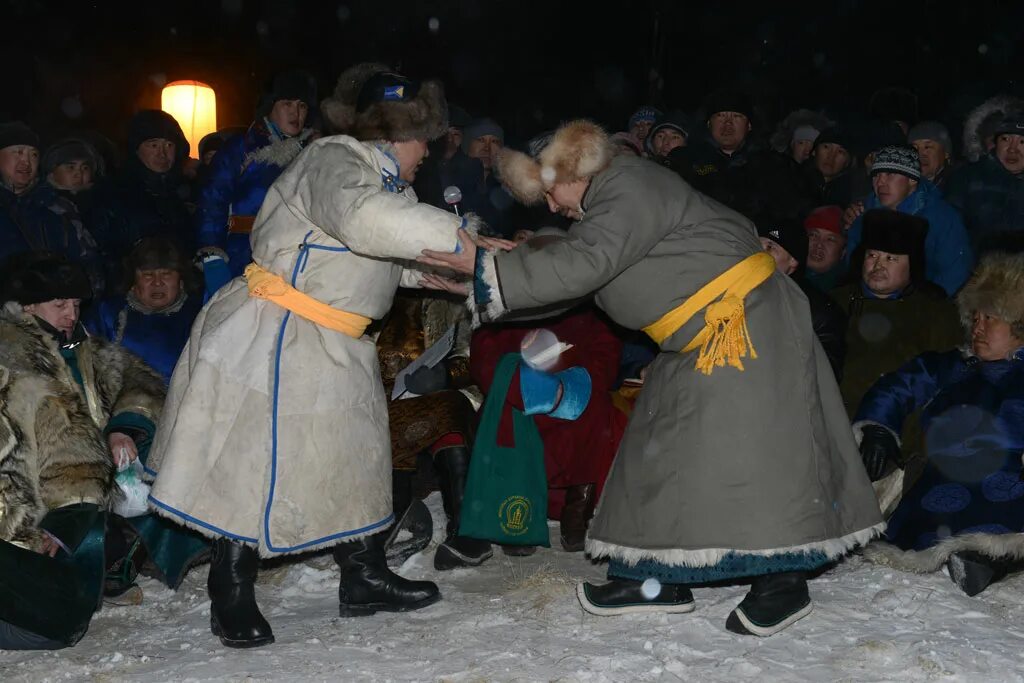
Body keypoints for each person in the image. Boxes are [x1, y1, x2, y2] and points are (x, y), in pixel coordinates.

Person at [420, 119, 882, 637]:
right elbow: (574, 274)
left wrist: (487, 268)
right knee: (657, 450)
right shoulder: (609, 208)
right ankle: (652, 577)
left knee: (751, 459)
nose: (550, 206)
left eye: (550, 191)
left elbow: (585, 262)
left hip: (743, 328)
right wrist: (482, 276)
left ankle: (783, 584)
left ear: (576, 170)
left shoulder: (629, 182)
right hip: (697, 339)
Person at [147, 63, 484, 649]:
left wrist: (429, 274)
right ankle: (231, 588)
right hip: (278, 333)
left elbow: (361, 250)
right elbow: (363, 220)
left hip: (336, 339)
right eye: (422, 138)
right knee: (250, 461)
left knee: (354, 457)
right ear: (397, 133)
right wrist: (463, 243)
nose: (427, 152)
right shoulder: (336, 160)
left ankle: (363, 576)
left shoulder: (385, 184)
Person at [0, 255, 166, 648]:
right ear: (27, 306)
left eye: (76, 304)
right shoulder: (11, 367)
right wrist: (25, 534)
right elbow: (9, 466)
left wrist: (124, 426)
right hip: (41, 511)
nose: (71, 314)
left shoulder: (86, 351)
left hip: (88, 505)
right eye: (59, 304)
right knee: (55, 625)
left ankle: (104, 569)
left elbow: (143, 384)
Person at [857, 252, 1024, 597]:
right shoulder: (952, 366)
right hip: (946, 476)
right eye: (974, 318)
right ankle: (982, 559)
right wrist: (877, 428)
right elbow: (896, 388)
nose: (977, 328)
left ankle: (995, 560)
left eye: (990, 318)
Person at [832, 210, 962, 422]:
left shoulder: (936, 313)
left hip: (901, 429)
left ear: (912, 264)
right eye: (872, 255)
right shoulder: (834, 303)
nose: (878, 266)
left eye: (891, 258)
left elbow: (947, 384)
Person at [195, 70, 318, 287]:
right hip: (242, 255)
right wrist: (212, 255)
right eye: (287, 104)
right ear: (270, 106)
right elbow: (213, 200)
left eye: (302, 106)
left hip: (297, 258)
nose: (296, 113)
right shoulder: (241, 149)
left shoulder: (314, 152)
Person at [845, 145, 973, 296]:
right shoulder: (863, 214)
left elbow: (955, 271)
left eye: (890, 174)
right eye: (876, 175)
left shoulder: (942, 217)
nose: (880, 182)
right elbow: (853, 266)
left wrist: (924, 303)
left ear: (912, 179)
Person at [90, 110, 194, 287]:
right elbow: (101, 253)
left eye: (169, 145)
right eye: (153, 145)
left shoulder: (186, 194)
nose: (162, 154)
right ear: (136, 149)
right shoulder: (111, 194)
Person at [0, 122, 100, 294]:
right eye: (18, 152)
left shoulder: (57, 207)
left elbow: (89, 263)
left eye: (33, 155)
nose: (26, 162)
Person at [88, 236, 203, 382]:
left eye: (166, 274)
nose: (157, 283)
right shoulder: (108, 314)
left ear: (180, 281)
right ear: (133, 281)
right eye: (148, 275)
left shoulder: (198, 315)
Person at [754, 215, 846, 380]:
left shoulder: (816, 311)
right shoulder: (730, 286)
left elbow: (823, 376)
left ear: (793, 262)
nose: (758, 253)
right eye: (754, 245)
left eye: (770, 247)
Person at [946, 113, 1024, 255]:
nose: (1012, 149)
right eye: (1005, 139)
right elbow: (948, 234)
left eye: (1022, 142)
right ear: (996, 143)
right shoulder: (966, 178)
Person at [803, 205, 847, 292]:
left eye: (830, 239)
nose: (819, 245)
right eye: (814, 235)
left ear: (843, 252)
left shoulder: (842, 292)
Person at [907, 121, 954, 192]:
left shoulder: (956, 185)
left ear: (946, 153)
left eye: (927, 147)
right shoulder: (904, 186)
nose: (920, 154)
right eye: (914, 148)